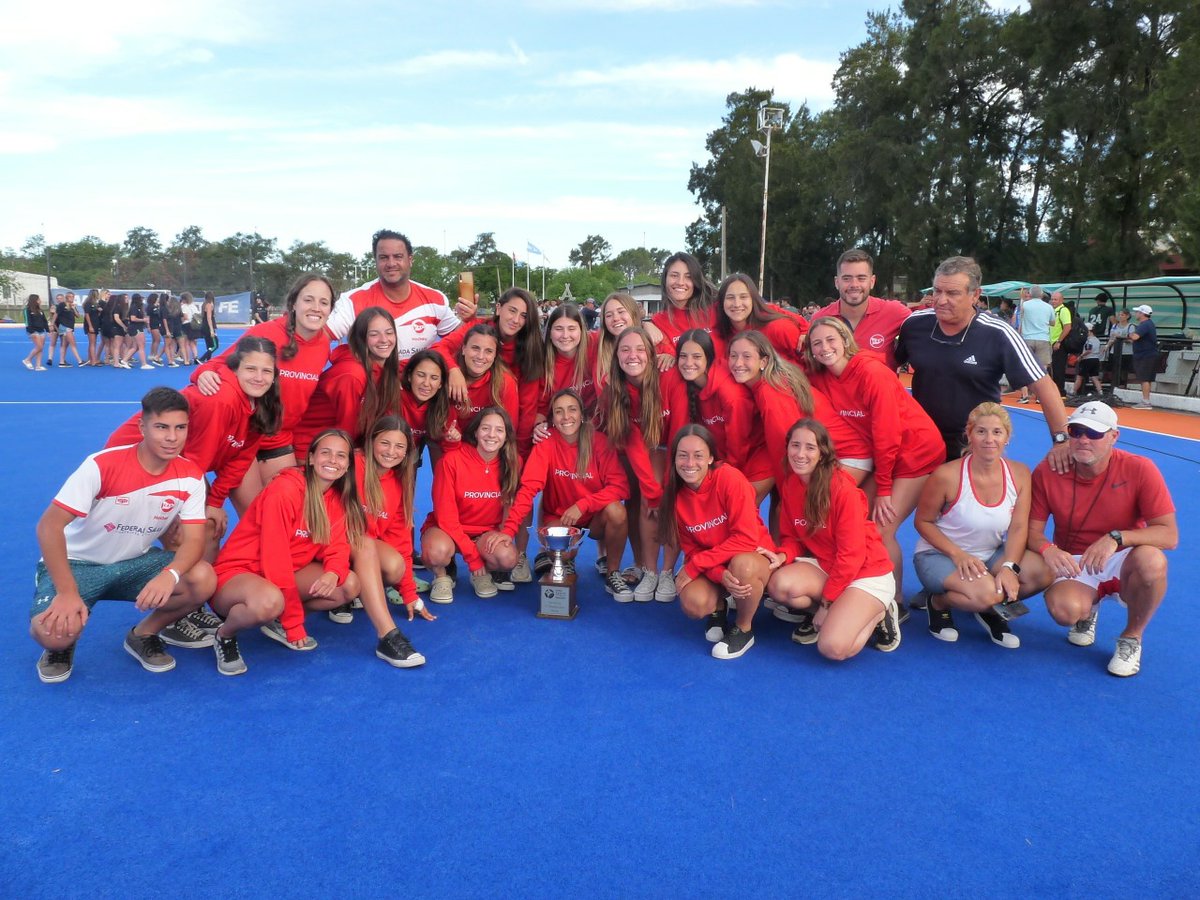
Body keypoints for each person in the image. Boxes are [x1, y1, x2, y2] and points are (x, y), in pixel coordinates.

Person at [29, 387, 216, 683]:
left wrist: (171, 574)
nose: (172, 437)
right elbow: (48, 527)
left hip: (133, 563)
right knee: (53, 635)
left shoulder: (190, 475)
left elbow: (195, 539)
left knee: (202, 578)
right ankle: (63, 643)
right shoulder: (102, 464)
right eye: (161, 427)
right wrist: (66, 592)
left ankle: (143, 634)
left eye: (180, 428)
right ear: (142, 427)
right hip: (78, 564)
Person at [1021, 401, 1177, 676]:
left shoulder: (1140, 469)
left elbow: (1168, 534)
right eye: (1076, 431)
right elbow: (1031, 531)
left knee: (1153, 561)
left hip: (1121, 556)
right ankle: (1087, 610)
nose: (1083, 440)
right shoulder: (1048, 470)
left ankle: (1132, 637)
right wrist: (1048, 549)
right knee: (1063, 611)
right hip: (1075, 560)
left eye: (1094, 433)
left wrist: (1116, 538)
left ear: (1114, 436)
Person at [804, 315, 944, 611]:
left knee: (881, 529)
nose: (825, 347)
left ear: (845, 341)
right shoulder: (822, 376)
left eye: (831, 339)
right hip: (884, 457)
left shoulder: (871, 373)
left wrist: (883, 489)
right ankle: (863, 586)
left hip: (915, 454)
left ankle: (895, 602)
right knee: (855, 521)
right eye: (817, 343)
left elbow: (887, 434)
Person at [107, 336, 283, 564]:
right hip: (136, 458)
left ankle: (198, 588)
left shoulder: (262, 403)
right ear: (235, 368)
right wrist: (192, 508)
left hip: (176, 461)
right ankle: (182, 589)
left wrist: (215, 502)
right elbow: (196, 460)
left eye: (266, 371)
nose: (259, 378)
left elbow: (240, 459)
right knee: (189, 529)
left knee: (210, 525)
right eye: (250, 369)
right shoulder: (222, 400)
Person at [209, 430, 363, 672]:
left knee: (347, 585)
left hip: (286, 574)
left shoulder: (335, 498)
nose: (333, 460)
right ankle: (225, 634)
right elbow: (275, 558)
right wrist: (295, 623)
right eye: (326, 453)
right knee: (269, 602)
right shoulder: (285, 490)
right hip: (239, 574)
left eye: (341, 456)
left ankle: (278, 618)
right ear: (311, 458)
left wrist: (334, 572)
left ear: (347, 466)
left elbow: (337, 546)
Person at [895, 256, 1072, 466]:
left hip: (972, 447)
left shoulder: (998, 333)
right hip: (920, 442)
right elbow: (888, 368)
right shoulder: (914, 325)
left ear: (975, 295)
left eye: (952, 293)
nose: (941, 300)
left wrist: (1061, 440)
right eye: (937, 291)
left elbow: (1044, 386)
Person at [192, 274, 335, 512]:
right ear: (294, 303)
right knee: (254, 517)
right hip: (243, 437)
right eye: (308, 299)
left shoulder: (323, 344)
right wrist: (202, 374)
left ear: (331, 309)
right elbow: (218, 363)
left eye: (323, 302)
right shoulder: (266, 333)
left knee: (285, 514)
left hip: (278, 439)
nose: (316, 308)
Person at [765, 419, 901, 659]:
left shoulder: (841, 490)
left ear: (822, 453)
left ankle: (880, 613)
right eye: (795, 445)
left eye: (810, 447)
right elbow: (792, 536)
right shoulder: (790, 486)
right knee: (779, 586)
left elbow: (852, 555)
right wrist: (783, 554)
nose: (800, 454)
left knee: (833, 648)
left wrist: (827, 604)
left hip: (866, 572)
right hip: (829, 565)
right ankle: (841, 613)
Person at [912, 403, 1039, 648]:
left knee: (1041, 572)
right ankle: (939, 603)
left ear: (1007, 437)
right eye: (981, 431)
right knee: (989, 594)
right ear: (969, 435)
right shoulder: (946, 475)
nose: (989, 439)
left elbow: (1018, 527)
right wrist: (958, 555)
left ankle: (990, 609)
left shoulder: (1020, 473)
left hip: (989, 555)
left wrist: (1010, 568)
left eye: (997, 432)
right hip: (940, 555)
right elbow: (923, 521)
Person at [495, 389, 632, 600]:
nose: (566, 417)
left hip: (593, 517)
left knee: (617, 511)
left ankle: (613, 572)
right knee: (564, 551)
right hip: (560, 520)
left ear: (582, 414)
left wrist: (584, 505)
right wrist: (509, 530)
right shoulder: (546, 444)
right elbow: (528, 490)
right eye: (559, 411)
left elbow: (621, 486)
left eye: (572, 410)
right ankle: (563, 563)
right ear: (552, 418)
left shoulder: (599, 442)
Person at [660, 425, 777, 659]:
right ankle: (719, 607)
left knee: (742, 566)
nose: (689, 462)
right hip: (716, 565)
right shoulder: (675, 495)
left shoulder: (729, 478)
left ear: (711, 457)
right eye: (682, 455)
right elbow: (692, 549)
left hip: (752, 557)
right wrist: (719, 574)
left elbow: (745, 538)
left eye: (698, 455)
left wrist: (696, 566)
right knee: (693, 603)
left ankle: (744, 628)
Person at [343, 416, 428, 664]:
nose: (391, 452)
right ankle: (387, 635)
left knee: (395, 565)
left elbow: (401, 541)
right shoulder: (351, 465)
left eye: (399, 446)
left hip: (360, 553)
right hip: (330, 545)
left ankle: (357, 590)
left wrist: (409, 593)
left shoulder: (400, 483)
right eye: (385, 443)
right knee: (365, 541)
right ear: (371, 442)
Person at [598, 327, 674, 601]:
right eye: (625, 349)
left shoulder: (668, 378)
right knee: (645, 498)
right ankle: (649, 569)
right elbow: (633, 443)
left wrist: (666, 485)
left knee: (670, 495)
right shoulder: (614, 391)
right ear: (616, 355)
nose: (633, 356)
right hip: (644, 449)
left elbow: (680, 433)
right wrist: (652, 493)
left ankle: (668, 571)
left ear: (652, 355)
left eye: (640, 349)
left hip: (678, 449)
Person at [421, 407, 520, 603]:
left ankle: (486, 572)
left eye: (499, 430)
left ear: (506, 436)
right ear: (475, 432)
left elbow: (510, 509)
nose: (492, 435)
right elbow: (446, 518)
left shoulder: (512, 463)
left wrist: (504, 534)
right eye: (485, 428)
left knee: (508, 558)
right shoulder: (451, 461)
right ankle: (442, 575)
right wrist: (473, 560)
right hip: (446, 530)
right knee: (436, 553)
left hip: (484, 533)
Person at [664, 328, 770, 503]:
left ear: (708, 357)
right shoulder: (691, 385)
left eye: (697, 357)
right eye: (683, 356)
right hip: (724, 457)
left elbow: (738, 446)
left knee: (739, 505)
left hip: (754, 455)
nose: (688, 362)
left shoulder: (731, 395)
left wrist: (724, 480)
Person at [326, 229, 468, 359]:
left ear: (410, 260)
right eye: (383, 257)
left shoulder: (434, 299)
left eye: (398, 256)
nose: (391, 263)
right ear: (375, 260)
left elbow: (459, 339)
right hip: (374, 384)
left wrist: (469, 319)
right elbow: (320, 337)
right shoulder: (353, 300)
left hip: (419, 384)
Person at [292, 306, 400, 461]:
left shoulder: (383, 371)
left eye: (389, 333)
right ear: (361, 339)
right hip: (312, 449)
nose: (384, 339)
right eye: (374, 334)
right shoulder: (352, 374)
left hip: (336, 445)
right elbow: (346, 429)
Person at [814, 248, 911, 371]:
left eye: (861, 278)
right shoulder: (819, 319)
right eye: (847, 278)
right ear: (837, 282)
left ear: (872, 281)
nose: (854, 285)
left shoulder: (895, 312)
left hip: (881, 389)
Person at [713, 272, 807, 366]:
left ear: (753, 300)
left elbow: (811, 364)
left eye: (743, 297)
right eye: (730, 297)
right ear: (721, 302)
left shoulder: (778, 328)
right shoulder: (721, 331)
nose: (737, 304)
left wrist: (806, 328)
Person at [399, 349, 461, 464]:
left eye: (434, 378)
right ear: (409, 376)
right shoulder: (395, 400)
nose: (426, 383)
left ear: (441, 383)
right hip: (395, 448)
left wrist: (452, 440)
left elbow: (450, 449)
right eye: (421, 375)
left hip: (415, 449)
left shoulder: (443, 405)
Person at [650, 251, 717, 355]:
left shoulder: (716, 311)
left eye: (688, 277)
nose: (680, 282)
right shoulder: (658, 322)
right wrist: (644, 324)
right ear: (665, 279)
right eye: (674, 275)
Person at [1017, 285, 1053, 403]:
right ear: (1042, 295)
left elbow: (1020, 318)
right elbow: (1052, 322)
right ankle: (1039, 397)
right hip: (1043, 338)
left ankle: (1025, 396)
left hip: (1027, 338)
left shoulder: (1025, 305)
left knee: (1025, 366)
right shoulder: (1048, 307)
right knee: (1042, 369)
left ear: (1030, 294)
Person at [1128, 304, 1158, 409]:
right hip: (1147, 355)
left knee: (1144, 378)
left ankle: (1146, 402)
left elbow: (1135, 337)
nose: (1136, 313)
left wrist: (1131, 334)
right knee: (1146, 378)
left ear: (1142, 313)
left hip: (1146, 355)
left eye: (1138, 312)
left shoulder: (1145, 324)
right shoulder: (1147, 324)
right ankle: (1146, 400)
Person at [1048, 291, 1075, 396]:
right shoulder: (1052, 310)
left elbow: (1067, 327)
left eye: (1056, 299)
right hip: (1050, 343)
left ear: (1061, 300)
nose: (1053, 301)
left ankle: (1060, 392)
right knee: (1052, 369)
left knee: (1058, 369)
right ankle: (1054, 391)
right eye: (1052, 299)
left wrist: (1059, 341)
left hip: (1058, 344)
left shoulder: (1063, 311)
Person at [1104, 308, 1135, 389]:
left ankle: (1123, 384)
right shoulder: (1114, 326)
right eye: (1119, 315)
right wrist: (1107, 345)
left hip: (1126, 352)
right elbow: (1112, 338)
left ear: (1127, 316)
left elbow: (1133, 340)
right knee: (1113, 367)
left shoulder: (1131, 326)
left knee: (1124, 369)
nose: (1120, 316)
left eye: (1122, 315)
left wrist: (1122, 338)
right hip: (1114, 350)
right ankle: (1114, 383)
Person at [1072, 325, 1105, 398]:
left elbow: (1088, 350)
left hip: (1087, 359)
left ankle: (1073, 392)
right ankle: (1100, 392)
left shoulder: (1089, 340)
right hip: (1096, 359)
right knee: (1094, 377)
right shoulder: (1097, 340)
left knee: (1079, 377)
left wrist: (1080, 356)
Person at [54, 292, 83, 367]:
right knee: (73, 344)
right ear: (66, 297)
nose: (72, 298)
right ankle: (79, 361)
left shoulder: (72, 305)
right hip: (65, 326)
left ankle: (61, 362)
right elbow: (56, 314)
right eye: (70, 296)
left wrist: (74, 308)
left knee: (65, 345)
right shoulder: (62, 305)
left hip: (70, 326)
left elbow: (78, 316)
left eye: (73, 296)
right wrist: (52, 324)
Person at [22, 294, 49, 371]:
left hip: (41, 331)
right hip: (33, 331)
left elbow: (44, 321)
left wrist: (47, 330)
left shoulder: (40, 310)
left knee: (40, 348)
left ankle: (38, 366)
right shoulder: (27, 310)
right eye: (38, 299)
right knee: (39, 347)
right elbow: (27, 322)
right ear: (34, 300)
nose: (40, 301)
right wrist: (31, 331)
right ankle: (27, 359)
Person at [83, 289, 103, 366]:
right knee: (92, 343)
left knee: (93, 343)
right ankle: (93, 361)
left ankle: (90, 359)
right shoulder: (88, 303)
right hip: (90, 325)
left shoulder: (96, 304)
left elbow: (96, 315)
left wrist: (99, 311)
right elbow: (87, 315)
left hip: (95, 323)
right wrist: (90, 326)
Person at [199, 290, 218, 362]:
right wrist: (211, 330)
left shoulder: (204, 304)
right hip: (208, 326)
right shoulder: (209, 305)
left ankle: (208, 359)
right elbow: (209, 318)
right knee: (215, 345)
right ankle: (202, 358)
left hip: (204, 325)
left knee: (209, 344)